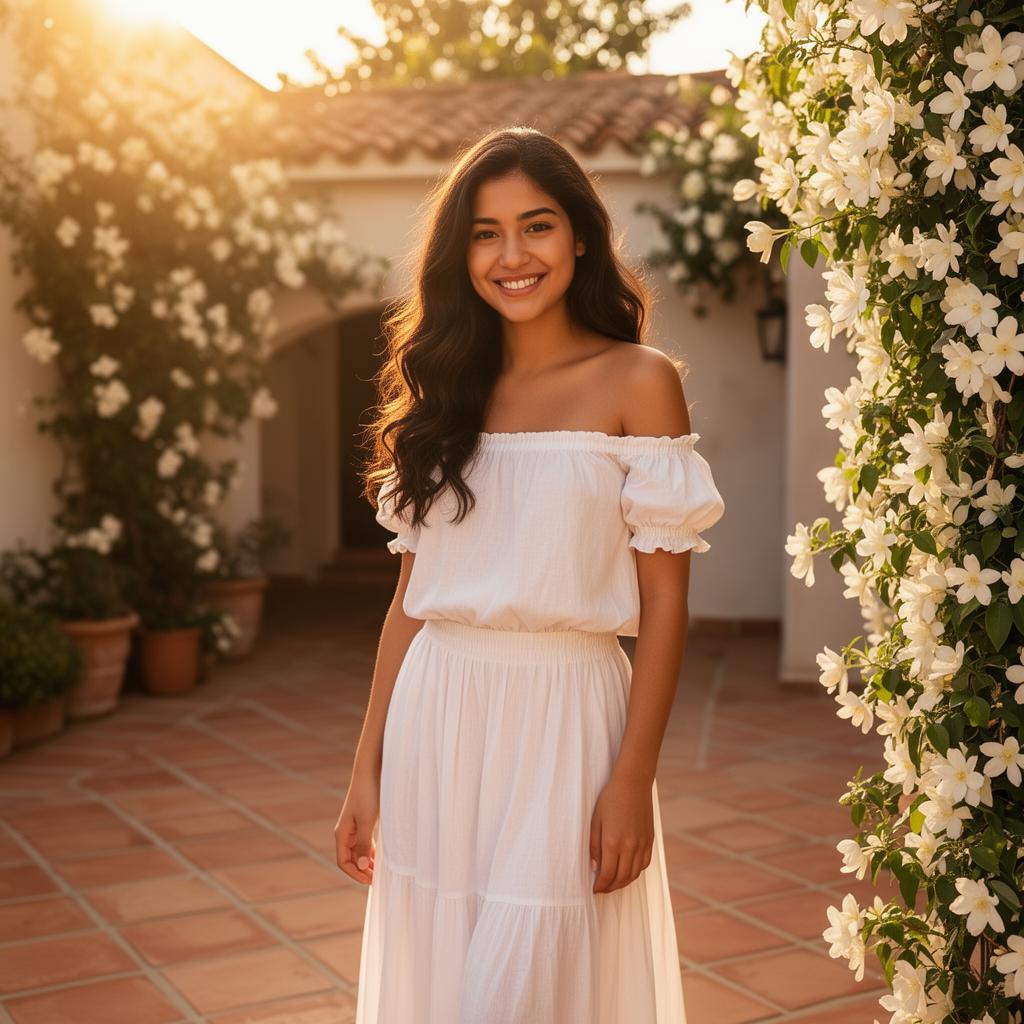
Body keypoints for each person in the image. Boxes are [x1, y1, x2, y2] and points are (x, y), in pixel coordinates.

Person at [333, 126, 726, 1024]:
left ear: (579, 236)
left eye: (536, 226)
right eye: (484, 232)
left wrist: (633, 778)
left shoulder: (639, 379)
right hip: (438, 714)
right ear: (459, 253)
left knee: (528, 988)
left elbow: (665, 603)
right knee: (445, 984)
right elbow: (407, 606)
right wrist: (367, 767)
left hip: (570, 723)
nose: (512, 256)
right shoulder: (443, 394)